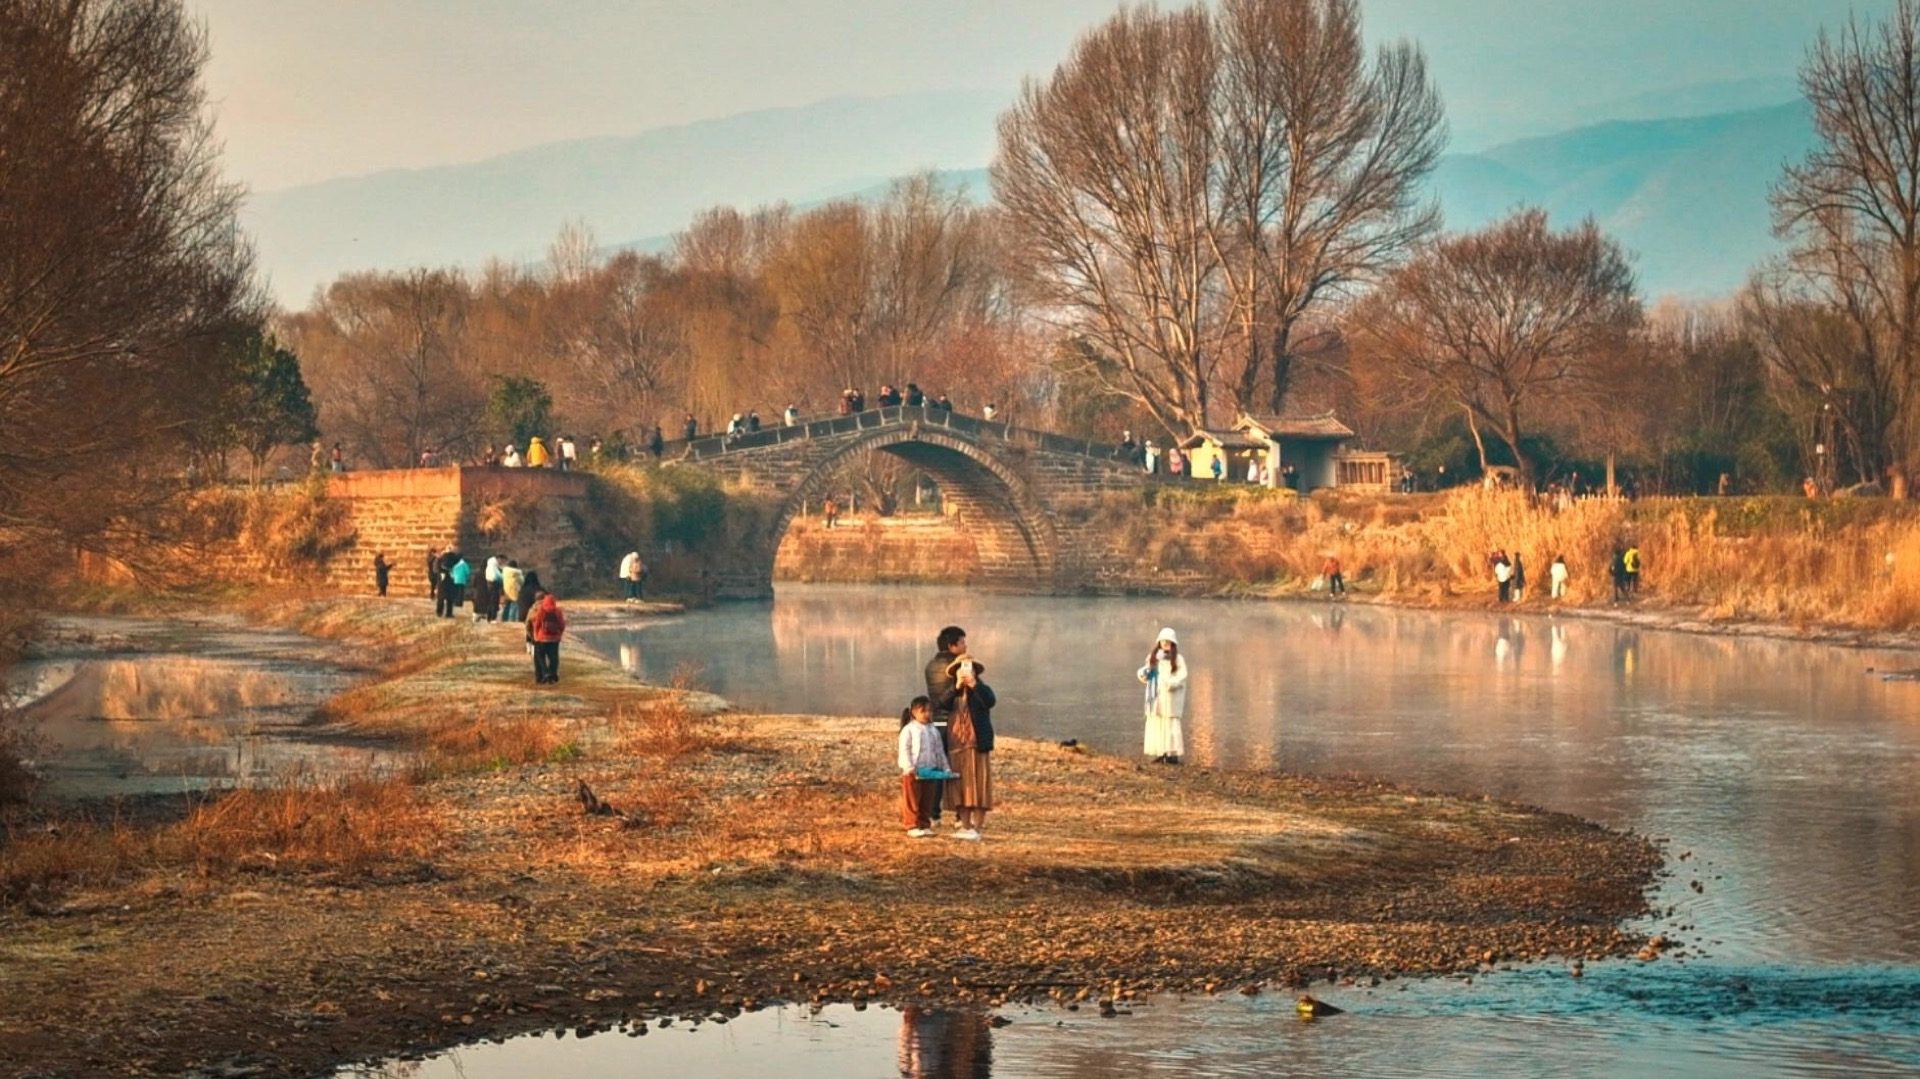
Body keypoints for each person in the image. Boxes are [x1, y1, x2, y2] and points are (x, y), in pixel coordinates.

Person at [943, 653, 996, 841]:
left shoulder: (982, 689)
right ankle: (965, 826)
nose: (965, 672)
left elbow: (990, 701)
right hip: (957, 744)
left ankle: (977, 827)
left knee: (979, 785)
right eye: (962, 669)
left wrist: (974, 685)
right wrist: (957, 687)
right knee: (960, 786)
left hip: (977, 744)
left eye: (968, 668)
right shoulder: (953, 691)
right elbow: (941, 704)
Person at [923, 626, 970, 828]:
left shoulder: (930, 666)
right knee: (959, 768)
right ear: (952, 646)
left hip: (936, 722)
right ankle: (960, 815)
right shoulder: (958, 666)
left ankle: (934, 814)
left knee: (937, 769)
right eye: (962, 642)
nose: (965, 646)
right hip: (955, 722)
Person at [897, 695, 950, 838]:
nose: (927, 714)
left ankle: (924, 824)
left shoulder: (933, 730)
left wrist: (944, 767)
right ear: (914, 712)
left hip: (930, 770)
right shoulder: (909, 729)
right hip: (914, 771)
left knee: (927, 799)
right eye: (923, 711)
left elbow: (939, 751)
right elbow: (905, 749)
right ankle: (911, 825)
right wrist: (909, 767)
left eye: (929, 711)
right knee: (912, 799)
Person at [1138, 628, 1187, 764]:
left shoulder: (1178, 659)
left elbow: (1182, 677)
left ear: (1173, 643)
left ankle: (1171, 754)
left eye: (1168, 641)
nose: (1165, 643)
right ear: (1159, 642)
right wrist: (1144, 673)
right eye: (1163, 641)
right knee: (1158, 723)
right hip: (1156, 697)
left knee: (1170, 725)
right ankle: (1161, 752)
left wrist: (1169, 684)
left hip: (1170, 698)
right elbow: (1147, 674)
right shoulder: (1153, 658)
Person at [527, 591, 567, 684]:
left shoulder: (541, 610)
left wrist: (536, 635)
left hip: (542, 638)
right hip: (554, 638)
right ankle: (553, 675)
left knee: (540, 656)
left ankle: (545, 673)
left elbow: (537, 624)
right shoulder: (557, 611)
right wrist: (559, 634)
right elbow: (562, 624)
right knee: (554, 657)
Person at [440, 551, 471, 618]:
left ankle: (453, 604)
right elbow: (467, 571)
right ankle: (458, 604)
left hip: (454, 579)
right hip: (460, 579)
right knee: (459, 592)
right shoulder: (462, 563)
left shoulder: (447, 566)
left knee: (453, 594)